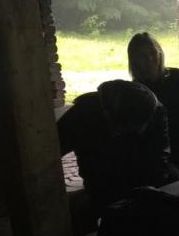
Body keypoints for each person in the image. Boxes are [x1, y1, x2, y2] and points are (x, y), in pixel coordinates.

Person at [57, 80, 172, 214]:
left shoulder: (157, 113)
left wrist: (151, 193)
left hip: (140, 179)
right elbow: (50, 153)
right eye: (118, 127)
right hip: (99, 182)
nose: (117, 133)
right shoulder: (82, 113)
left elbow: (159, 158)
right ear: (107, 113)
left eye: (129, 131)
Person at [128, 32, 179, 176]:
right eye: (142, 56)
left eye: (152, 53)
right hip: (161, 157)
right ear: (134, 60)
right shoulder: (137, 92)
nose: (149, 59)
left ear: (160, 53)